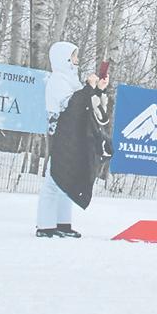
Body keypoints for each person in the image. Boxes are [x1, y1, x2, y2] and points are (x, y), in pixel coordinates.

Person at [36, 41, 113, 237]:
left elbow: (87, 105)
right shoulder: (58, 80)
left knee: (67, 179)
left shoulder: (71, 80)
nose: (77, 60)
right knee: (53, 180)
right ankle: (45, 226)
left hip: (73, 136)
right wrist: (88, 87)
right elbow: (70, 106)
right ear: (64, 58)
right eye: (74, 56)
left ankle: (63, 224)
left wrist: (98, 90)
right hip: (62, 136)